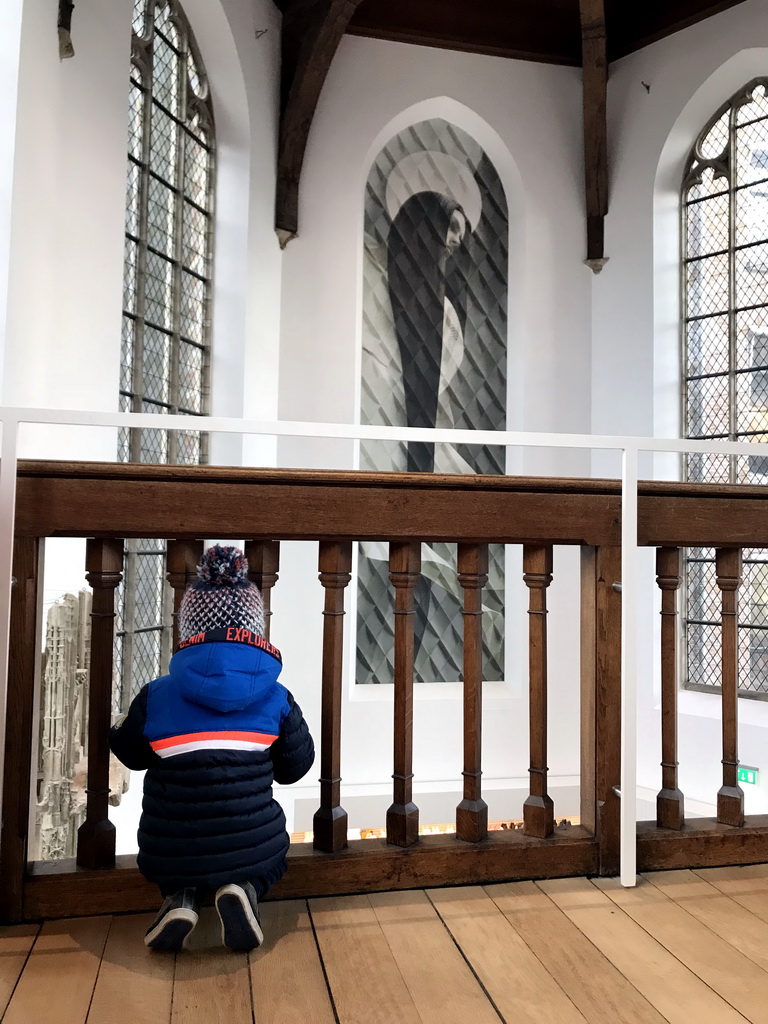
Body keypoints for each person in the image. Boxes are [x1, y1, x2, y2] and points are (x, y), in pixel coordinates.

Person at [108, 544, 314, 953]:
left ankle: (179, 899)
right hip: (252, 842)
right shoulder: (276, 698)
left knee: (175, 860)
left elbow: (131, 753)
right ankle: (245, 889)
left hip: (169, 848)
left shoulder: (158, 695)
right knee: (268, 858)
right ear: (255, 630)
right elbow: (296, 767)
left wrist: (116, 729)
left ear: (188, 631)